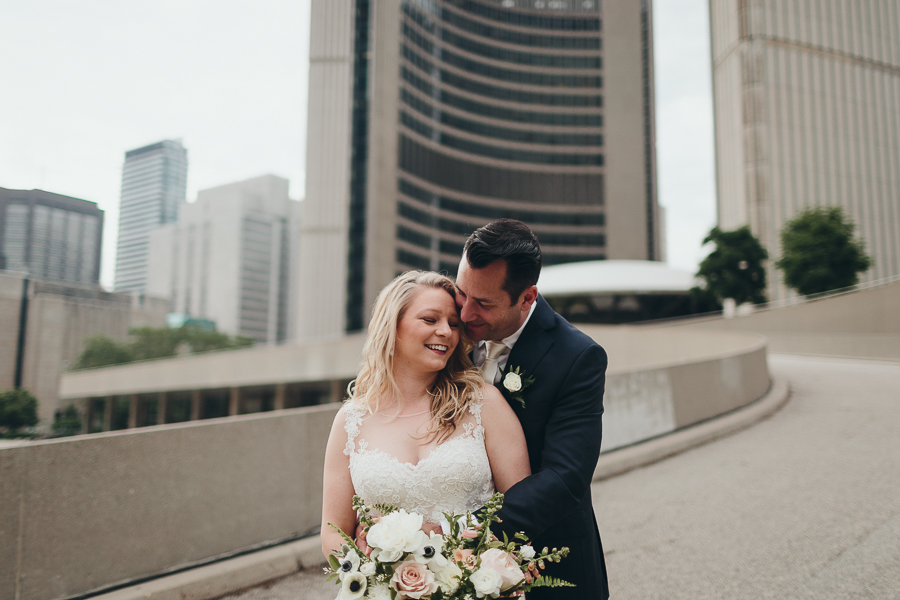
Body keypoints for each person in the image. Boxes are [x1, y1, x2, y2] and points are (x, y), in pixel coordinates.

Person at [320, 271, 531, 558]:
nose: (446, 331)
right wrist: (373, 572)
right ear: (392, 326)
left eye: (454, 324)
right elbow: (333, 532)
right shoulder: (351, 420)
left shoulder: (483, 403)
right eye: (430, 320)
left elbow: (523, 508)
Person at [455, 219, 609, 600]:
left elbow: (565, 478)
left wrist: (464, 534)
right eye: (463, 294)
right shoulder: (447, 334)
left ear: (527, 297)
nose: (464, 314)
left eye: (484, 304)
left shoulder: (578, 357)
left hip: (550, 564)